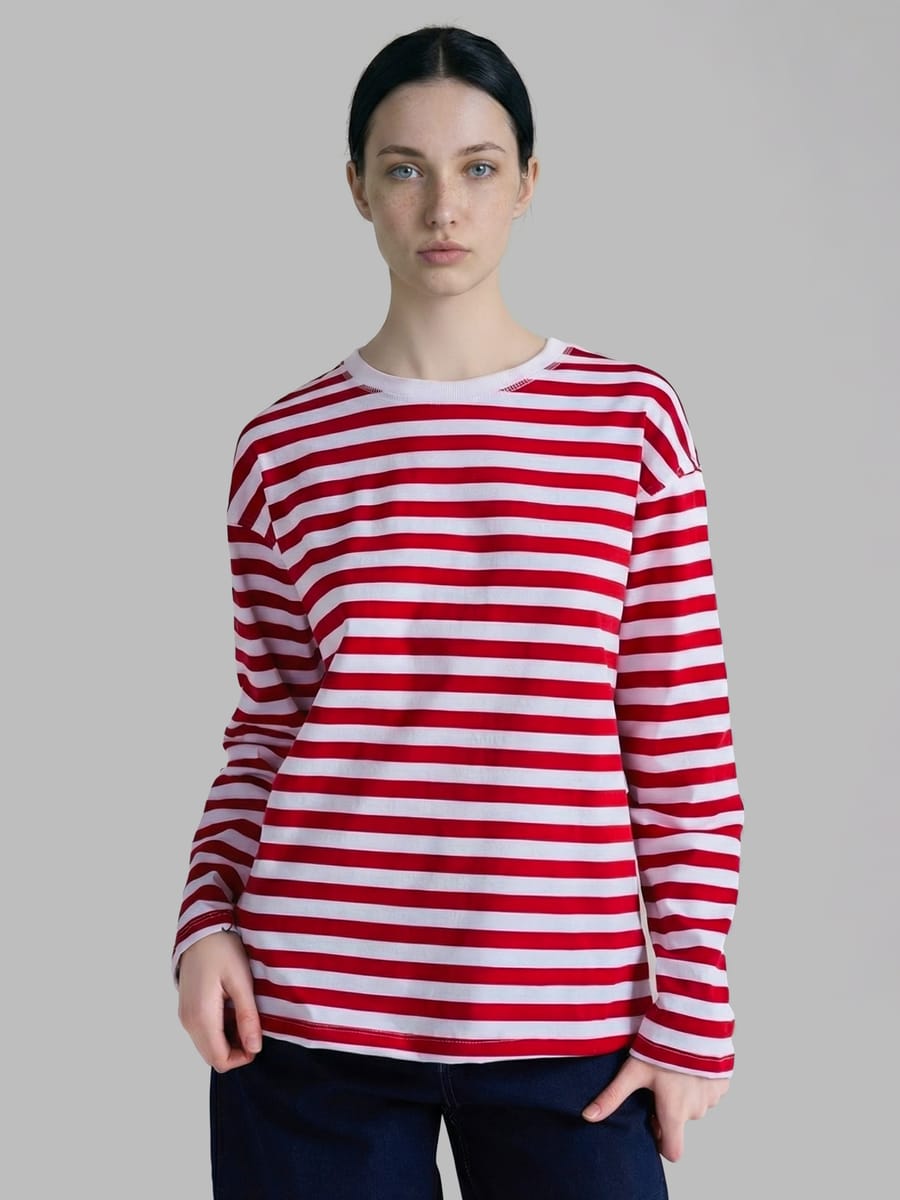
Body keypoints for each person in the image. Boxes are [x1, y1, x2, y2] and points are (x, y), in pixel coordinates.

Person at [173, 23, 743, 1200]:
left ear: (528, 183)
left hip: (570, 1025)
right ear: (357, 188)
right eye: (405, 168)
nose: (444, 206)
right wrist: (204, 921)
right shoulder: (283, 448)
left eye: (479, 167)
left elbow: (679, 731)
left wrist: (691, 1003)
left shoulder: (630, 422)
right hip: (309, 1017)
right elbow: (269, 724)